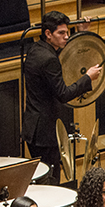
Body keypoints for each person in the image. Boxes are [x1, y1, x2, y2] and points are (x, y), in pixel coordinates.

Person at [22, 10, 100, 183]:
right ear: (48, 34)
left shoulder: (36, 49)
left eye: (67, 32)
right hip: (45, 131)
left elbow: (62, 55)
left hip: (34, 127)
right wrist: (87, 78)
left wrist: (80, 32)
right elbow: (63, 94)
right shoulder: (48, 59)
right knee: (50, 181)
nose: (66, 37)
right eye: (62, 33)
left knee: (43, 178)